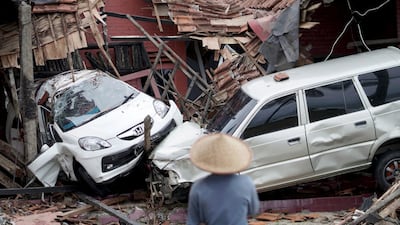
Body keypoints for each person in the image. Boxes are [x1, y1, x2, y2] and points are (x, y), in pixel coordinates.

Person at [187, 133, 260, 225]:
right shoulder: (246, 183)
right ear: (234, 159)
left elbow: (192, 221)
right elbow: (253, 210)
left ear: (208, 161)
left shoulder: (198, 187)